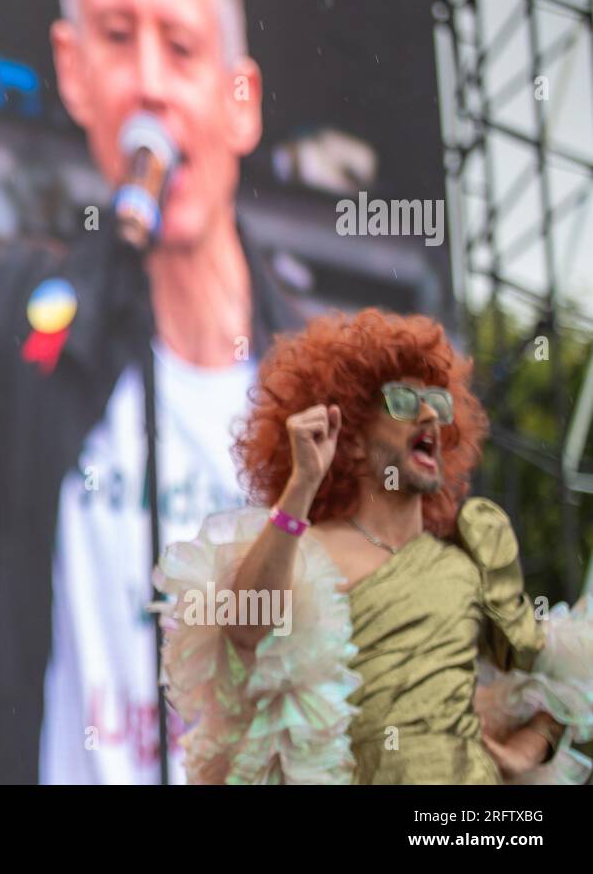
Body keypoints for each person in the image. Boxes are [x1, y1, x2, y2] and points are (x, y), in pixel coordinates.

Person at [0, 0, 302, 783]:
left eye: (181, 46)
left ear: (240, 98)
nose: (149, 81)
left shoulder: (315, 378)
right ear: (74, 71)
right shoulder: (13, 336)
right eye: (117, 37)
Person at [159, 308, 593, 783]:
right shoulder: (303, 548)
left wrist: (525, 753)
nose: (429, 414)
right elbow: (244, 630)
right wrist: (303, 483)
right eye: (405, 401)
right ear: (353, 440)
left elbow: (564, 677)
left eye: (438, 404)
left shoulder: (462, 560)